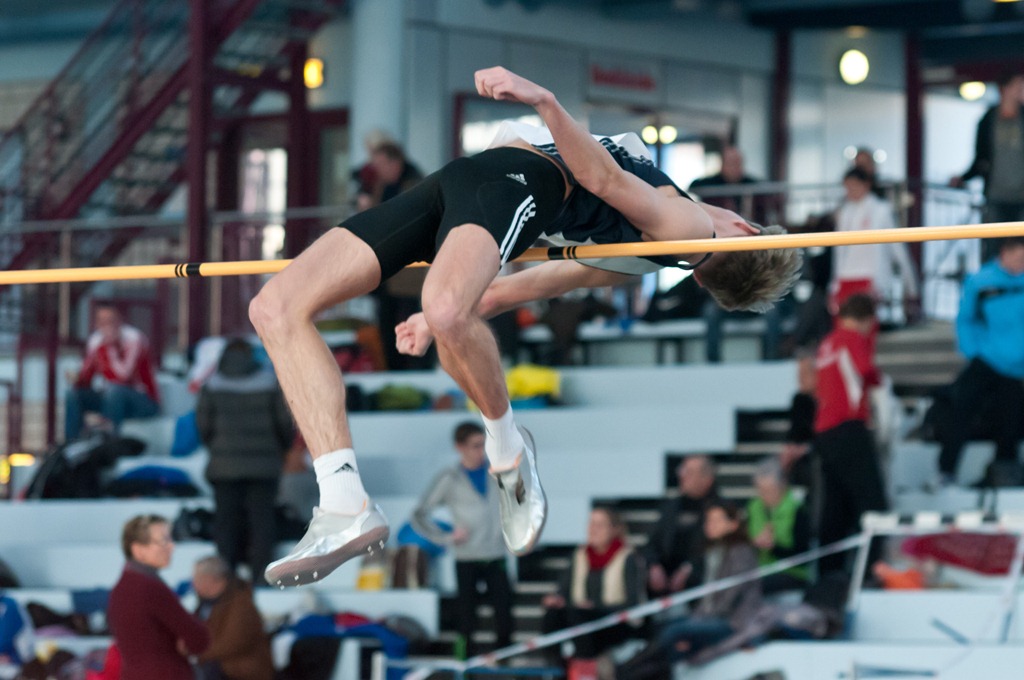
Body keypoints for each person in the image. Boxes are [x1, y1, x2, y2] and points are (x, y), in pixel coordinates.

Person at [249, 65, 803, 588]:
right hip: (464, 182)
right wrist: (434, 316)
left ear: (744, 229)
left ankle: (509, 452)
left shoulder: (692, 228)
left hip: (522, 180)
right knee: (275, 308)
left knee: (447, 310)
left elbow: (602, 176)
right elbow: (518, 289)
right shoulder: (645, 255)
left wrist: (542, 99)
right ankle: (343, 499)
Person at [614, 501, 762, 680]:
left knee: (674, 633)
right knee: (668, 639)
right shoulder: (714, 551)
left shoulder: (740, 551)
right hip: (710, 617)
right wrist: (697, 620)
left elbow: (731, 596)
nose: (710, 525)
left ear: (733, 524)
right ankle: (627, 673)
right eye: (708, 520)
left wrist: (697, 622)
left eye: (716, 520)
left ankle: (624, 670)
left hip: (733, 622)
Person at [410, 422, 514, 656]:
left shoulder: (498, 473)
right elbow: (419, 514)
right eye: (475, 446)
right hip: (467, 556)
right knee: (466, 617)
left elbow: (518, 504)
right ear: (460, 447)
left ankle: (505, 662)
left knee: (504, 613)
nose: (481, 451)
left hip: (496, 553)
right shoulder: (449, 478)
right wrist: (446, 537)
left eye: (484, 445)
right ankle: (463, 665)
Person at [195, 338, 294, 583]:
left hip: (224, 467)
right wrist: (280, 448)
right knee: (262, 522)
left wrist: (217, 448)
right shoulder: (269, 383)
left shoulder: (212, 384)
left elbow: (203, 426)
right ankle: (261, 577)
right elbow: (285, 423)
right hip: (264, 466)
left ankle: (225, 579)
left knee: (225, 523)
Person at [809, 294, 889, 573]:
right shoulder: (852, 338)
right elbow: (865, 370)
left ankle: (829, 573)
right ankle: (871, 570)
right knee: (873, 503)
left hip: (825, 431)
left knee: (836, 506)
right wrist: (880, 381)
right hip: (848, 427)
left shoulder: (827, 343)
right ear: (867, 320)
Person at [935, 237, 1024, 488]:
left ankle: (1005, 475)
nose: (1021, 263)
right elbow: (965, 319)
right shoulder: (981, 281)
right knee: (960, 411)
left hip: (1016, 368)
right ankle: (946, 472)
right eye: (1019, 258)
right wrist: (972, 350)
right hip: (986, 360)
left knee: (1010, 422)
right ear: (1005, 253)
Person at [107, 515, 209, 680]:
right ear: (138, 550)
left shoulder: (122, 587)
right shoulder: (150, 588)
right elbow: (198, 639)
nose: (171, 546)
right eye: (163, 541)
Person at [541, 507, 644, 664]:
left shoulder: (627, 557)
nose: (593, 529)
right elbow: (563, 589)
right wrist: (556, 599)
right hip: (581, 616)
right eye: (591, 524)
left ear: (614, 529)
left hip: (613, 621)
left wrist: (595, 607)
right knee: (554, 614)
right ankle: (556, 667)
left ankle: (585, 667)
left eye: (600, 525)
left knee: (580, 615)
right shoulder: (579, 555)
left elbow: (633, 603)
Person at [832, 167, 918, 324]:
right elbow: (839, 252)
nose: (850, 191)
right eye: (847, 187)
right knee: (843, 327)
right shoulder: (845, 212)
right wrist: (834, 285)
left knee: (865, 328)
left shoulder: (881, 210)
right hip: (846, 276)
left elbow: (897, 248)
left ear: (866, 185)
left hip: (870, 277)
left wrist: (911, 285)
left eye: (853, 186)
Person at [953, 71, 1024, 261]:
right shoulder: (988, 120)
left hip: (1021, 196)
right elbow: (981, 158)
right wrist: (964, 178)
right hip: (995, 195)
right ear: (1004, 89)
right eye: (1017, 86)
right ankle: (992, 281)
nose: (1021, 90)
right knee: (993, 248)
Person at [65, 304, 160, 440]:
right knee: (73, 395)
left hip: (144, 401)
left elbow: (123, 378)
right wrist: (77, 378)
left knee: (114, 391)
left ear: (120, 321)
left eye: (111, 321)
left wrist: (108, 349)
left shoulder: (134, 339)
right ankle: (73, 443)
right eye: (102, 322)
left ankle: (107, 441)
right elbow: (86, 379)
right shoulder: (96, 341)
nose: (106, 326)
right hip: (111, 399)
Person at [643, 455, 720, 595]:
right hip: (664, 587)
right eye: (682, 470)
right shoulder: (671, 507)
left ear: (707, 479)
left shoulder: (719, 510)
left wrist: (688, 568)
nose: (682, 476)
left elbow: (717, 548)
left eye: (689, 472)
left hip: (700, 587)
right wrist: (654, 565)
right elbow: (652, 543)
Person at [192, 555, 275, 680]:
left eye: (197, 578)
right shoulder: (204, 604)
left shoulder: (240, 604)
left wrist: (196, 652)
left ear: (211, 579)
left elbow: (232, 643)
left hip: (241, 671)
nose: (193, 583)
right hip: (217, 666)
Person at [746, 457, 811, 594]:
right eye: (761, 490)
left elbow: (802, 554)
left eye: (770, 490)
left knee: (752, 587)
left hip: (792, 573)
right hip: (759, 571)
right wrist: (754, 545)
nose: (765, 496)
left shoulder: (796, 508)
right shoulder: (753, 507)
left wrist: (773, 547)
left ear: (782, 486)